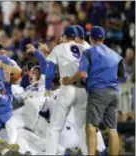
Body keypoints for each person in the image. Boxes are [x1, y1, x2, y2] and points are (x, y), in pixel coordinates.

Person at [62, 26, 125, 155]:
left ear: (90, 38)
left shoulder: (89, 52)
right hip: (113, 93)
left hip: (98, 92)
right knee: (112, 128)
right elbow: (121, 73)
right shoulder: (114, 54)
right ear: (103, 38)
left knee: (91, 127)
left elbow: (82, 74)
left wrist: (68, 80)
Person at [44, 26, 88, 155]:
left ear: (64, 36)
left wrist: (47, 87)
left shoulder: (59, 48)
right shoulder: (84, 48)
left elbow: (50, 71)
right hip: (83, 90)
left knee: (54, 127)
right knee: (81, 128)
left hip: (67, 88)